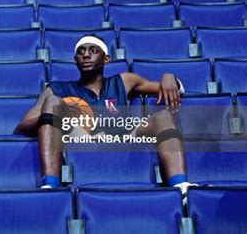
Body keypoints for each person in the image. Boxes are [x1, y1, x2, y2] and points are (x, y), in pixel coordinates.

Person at [14, 34, 196, 194]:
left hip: (122, 136)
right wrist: (59, 114)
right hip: (80, 137)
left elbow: (166, 88)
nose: (86, 54)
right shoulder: (57, 88)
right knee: (53, 102)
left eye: (93, 50)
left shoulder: (124, 81)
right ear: (75, 60)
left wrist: (169, 77)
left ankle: (181, 187)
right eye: (81, 51)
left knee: (162, 116)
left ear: (106, 59)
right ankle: (51, 187)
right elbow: (22, 127)